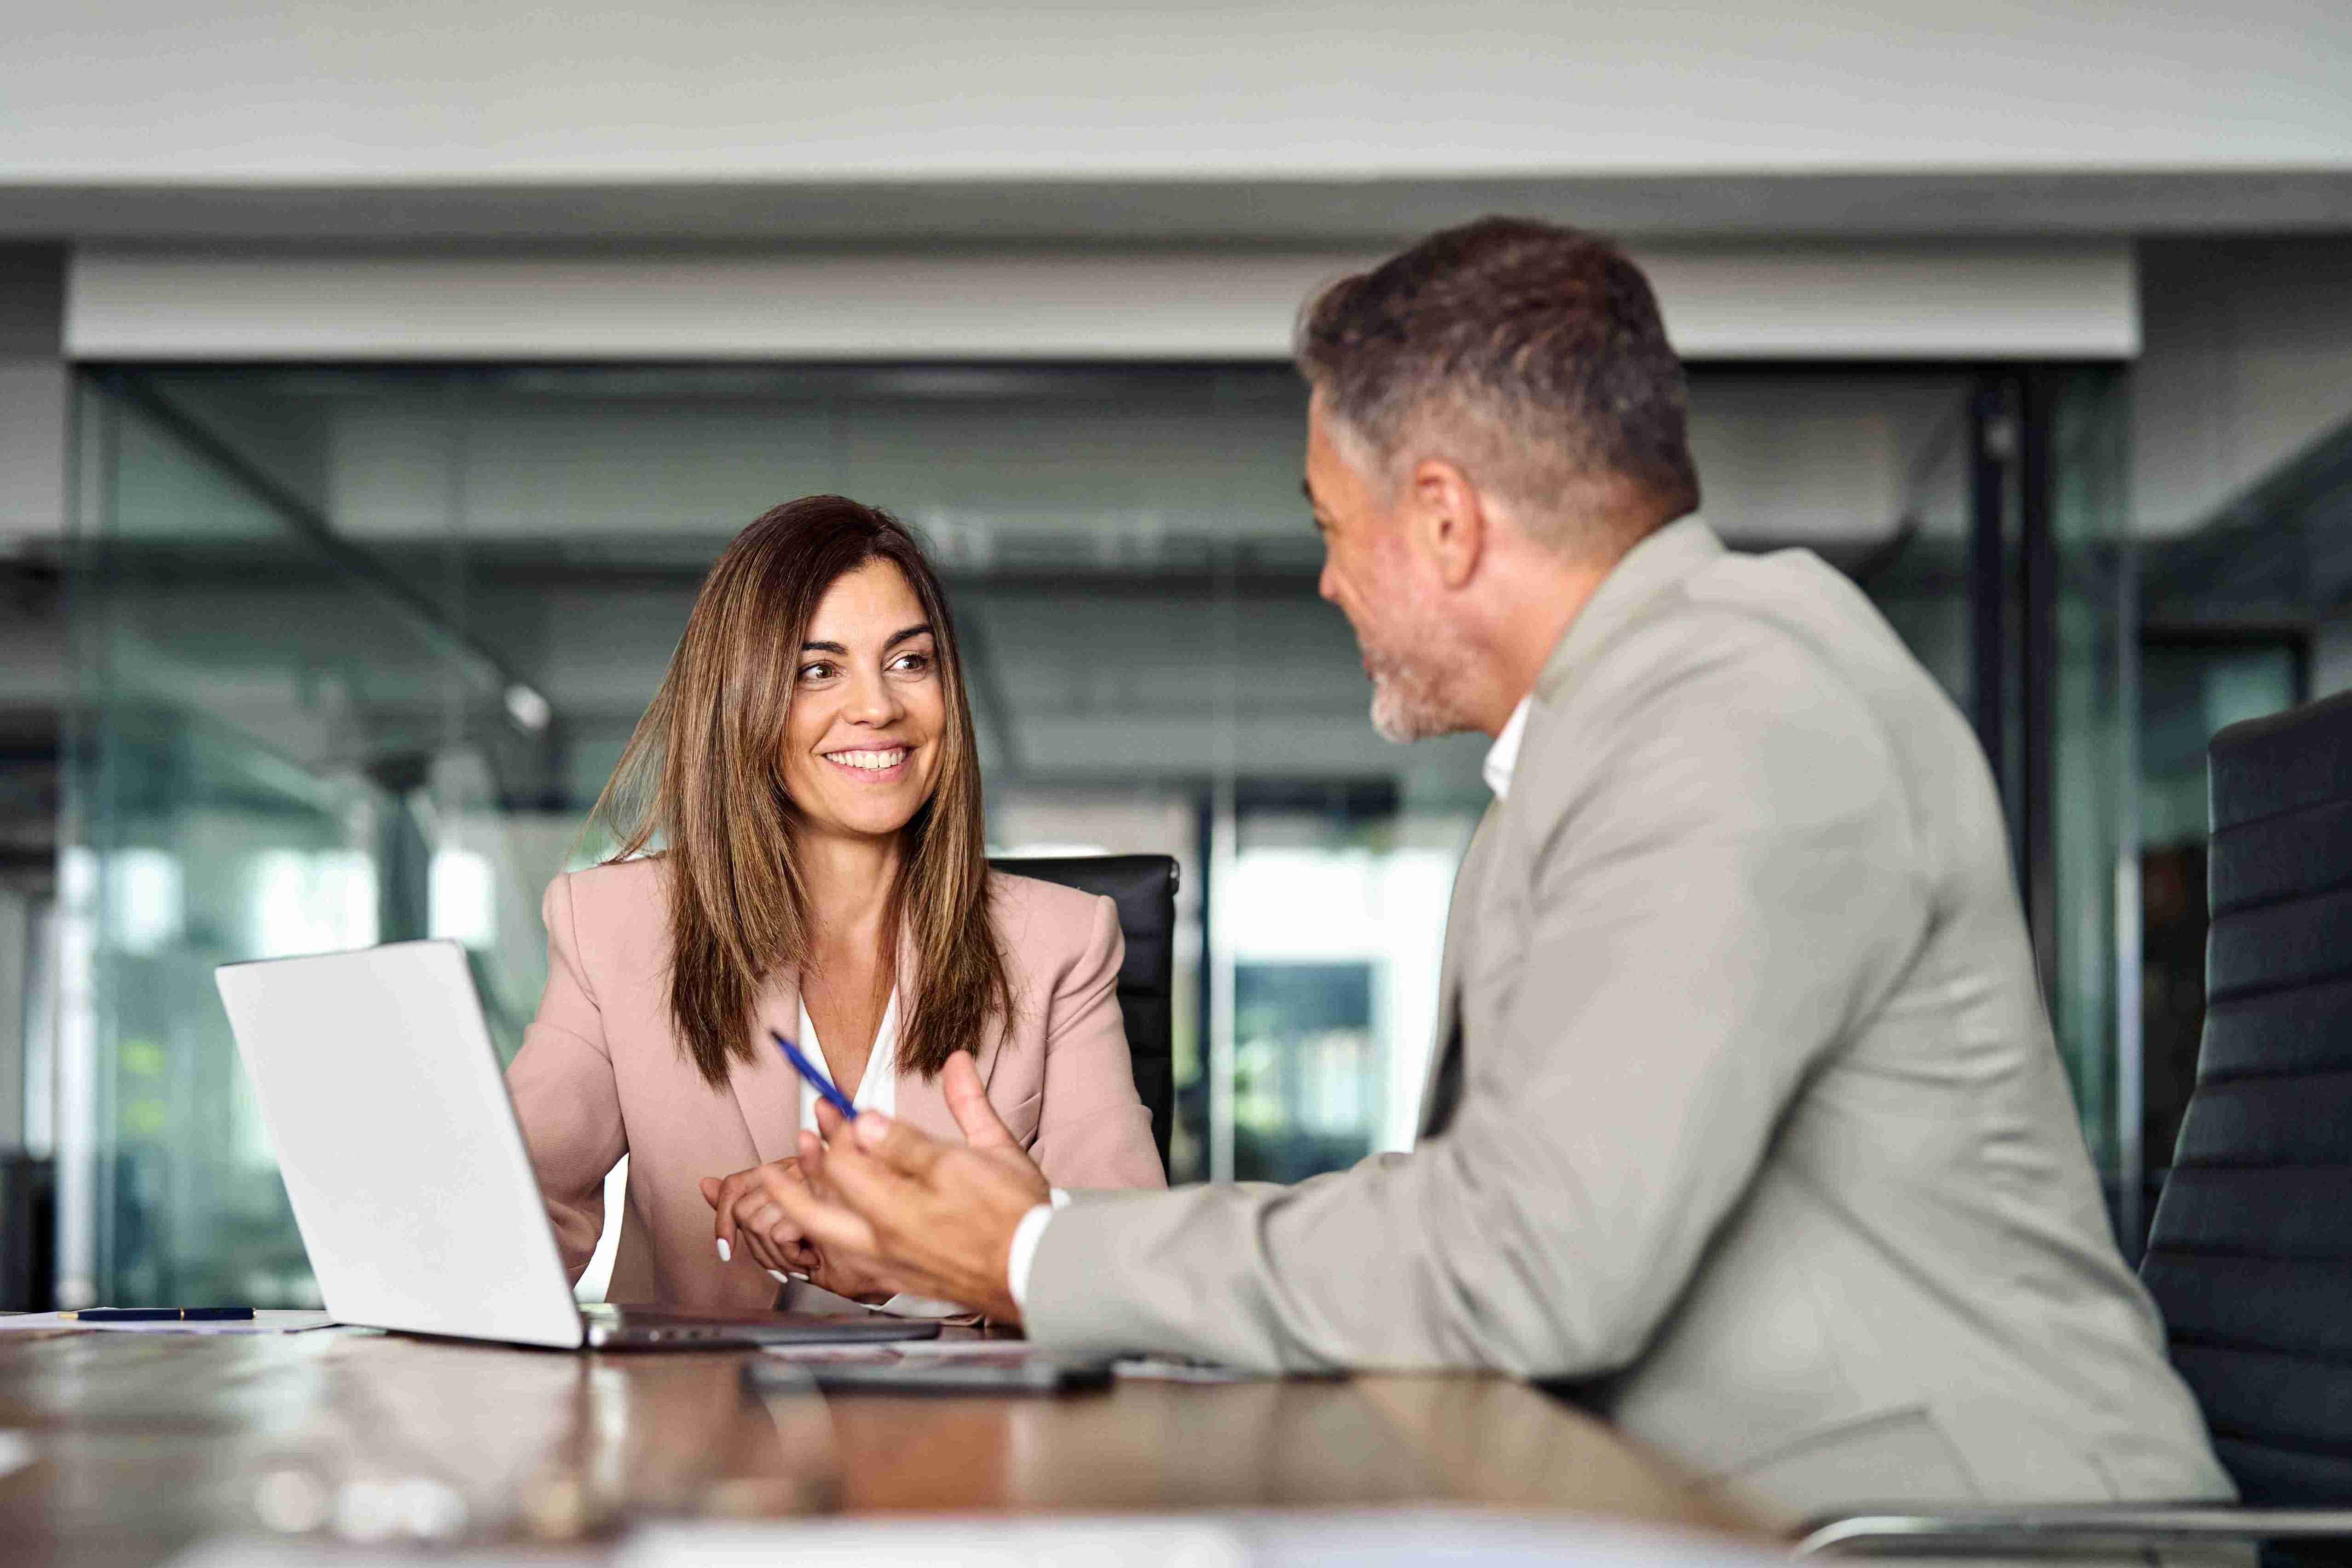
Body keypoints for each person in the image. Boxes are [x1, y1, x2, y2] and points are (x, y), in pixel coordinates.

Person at [742, 220, 2234, 1521]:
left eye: (1336, 528)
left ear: (1446, 521)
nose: (1329, 579)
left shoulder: (1736, 713)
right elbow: (1490, 1213)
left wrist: (1044, 1246)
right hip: (1713, 1510)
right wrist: (1028, 1243)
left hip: (1974, 1534)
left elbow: (1522, 1258)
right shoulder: (1608, 742)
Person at [506, 495, 1164, 1316]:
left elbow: (1134, 1261)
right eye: (818, 670)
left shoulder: (1061, 942)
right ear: (742, 703)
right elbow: (509, 1222)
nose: (878, 707)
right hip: (702, 1439)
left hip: (974, 1438)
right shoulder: (615, 927)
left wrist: (908, 1247)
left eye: (909, 662)